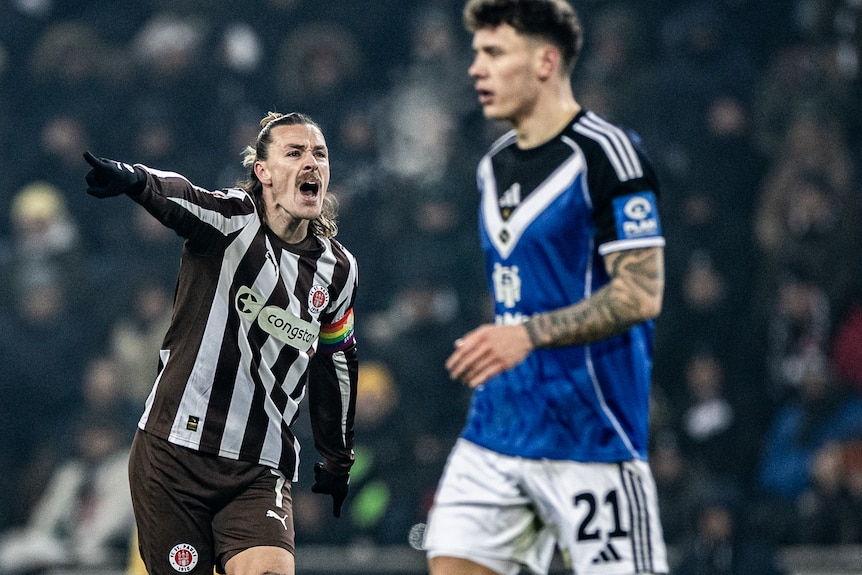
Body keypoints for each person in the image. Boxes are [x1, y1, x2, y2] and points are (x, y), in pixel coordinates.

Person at [424, 1, 668, 574]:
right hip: (497, 430)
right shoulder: (492, 166)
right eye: (476, 53)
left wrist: (526, 336)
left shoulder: (609, 155)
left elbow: (641, 293)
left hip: (591, 437)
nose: (476, 68)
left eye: (494, 53)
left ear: (545, 62)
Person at [82, 111, 359, 575]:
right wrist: (135, 179)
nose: (311, 162)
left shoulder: (339, 270)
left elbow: (337, 362)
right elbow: (182, 198)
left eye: (319, 154)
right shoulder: (233, 221)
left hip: (259, 467)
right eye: (295, 152)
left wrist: (338, 457)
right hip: (174, 457)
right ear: (263, 171)